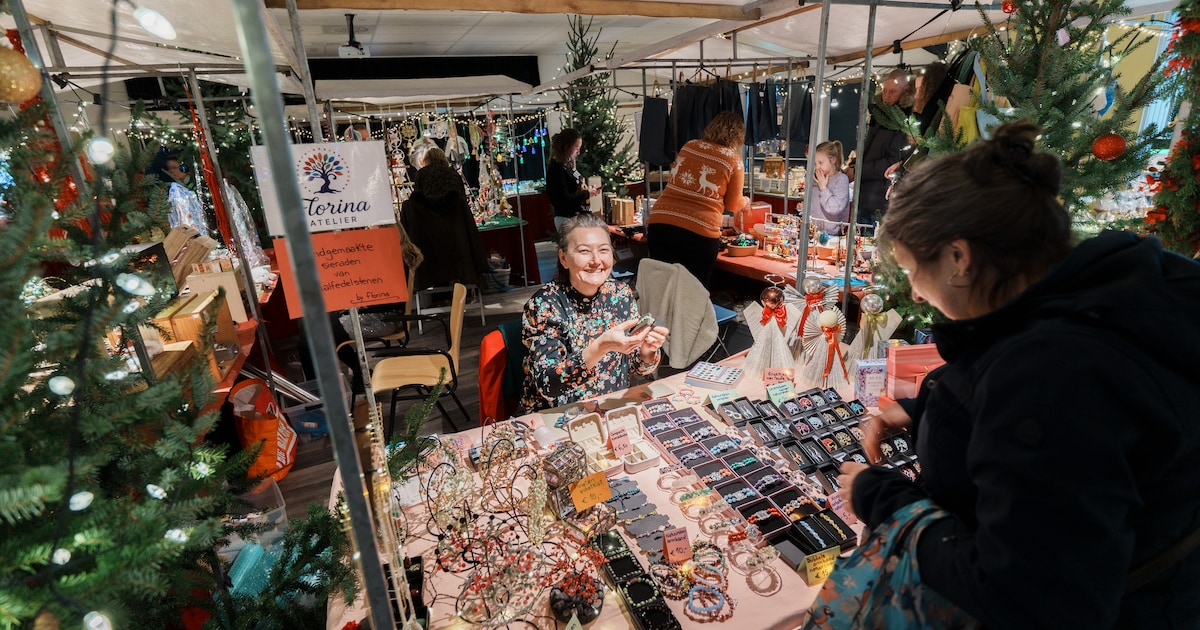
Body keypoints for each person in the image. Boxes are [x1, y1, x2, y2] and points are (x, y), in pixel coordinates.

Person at [835, 122, 1200, 627]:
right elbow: (1080, 444)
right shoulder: (1115, 296)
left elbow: (1027, 594)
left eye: (913, 271)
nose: (916, 295)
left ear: (959, 258)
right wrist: (924, 411)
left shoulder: (1052, 372)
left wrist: (880, 497)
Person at [519, 213, 669, 413]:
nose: (596, 260)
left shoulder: (621, 295)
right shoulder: (544, 305)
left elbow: (636, 369)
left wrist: (647, 351)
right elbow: (549, 385)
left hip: (610, 407)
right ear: (563, 258)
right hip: (557, 416)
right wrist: (601, 347)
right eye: (584, 251)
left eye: (604, 250)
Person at [647, 110, 750, 287]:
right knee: (692, 293)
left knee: (660, 287)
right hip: (698, 233)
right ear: (739, 136)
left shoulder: (690, 145)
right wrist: (745, 201)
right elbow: (733, 204)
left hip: (661, 223)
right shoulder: (734, 160)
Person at [400, 147, 489, 291]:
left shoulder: (421, 175)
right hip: (456, 233)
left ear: (426, 161)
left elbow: (417, 201)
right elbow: (461, 200)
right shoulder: (453, 175)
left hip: (429, 234)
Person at [859, 68, 913, 226]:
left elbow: (892, 162)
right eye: (885, 91)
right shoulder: (879, 116)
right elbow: (869, 152)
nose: (887, 97)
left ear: (905, 91)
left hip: (881, 200)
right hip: (864, 196)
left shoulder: (904, 122)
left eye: (892, 92)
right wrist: (855, 165)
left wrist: (860, 170)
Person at [546, 128, 599, 233]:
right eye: (576, 148)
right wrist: (586, 193)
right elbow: (563, 199)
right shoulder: (557, 169)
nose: (578, 152)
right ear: (567, 147)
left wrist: (587, 191)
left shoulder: (566, 164)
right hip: (568, 219)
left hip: (576, 218)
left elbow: (574, 189)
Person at [810, 140, 851, 235]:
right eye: (815, 164)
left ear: (833, 160)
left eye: (820, 163)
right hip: (813, 231)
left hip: (832, 234)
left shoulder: (841, 179)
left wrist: (823, 188)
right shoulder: (815, 178)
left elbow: (834, 208)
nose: (817, 167)